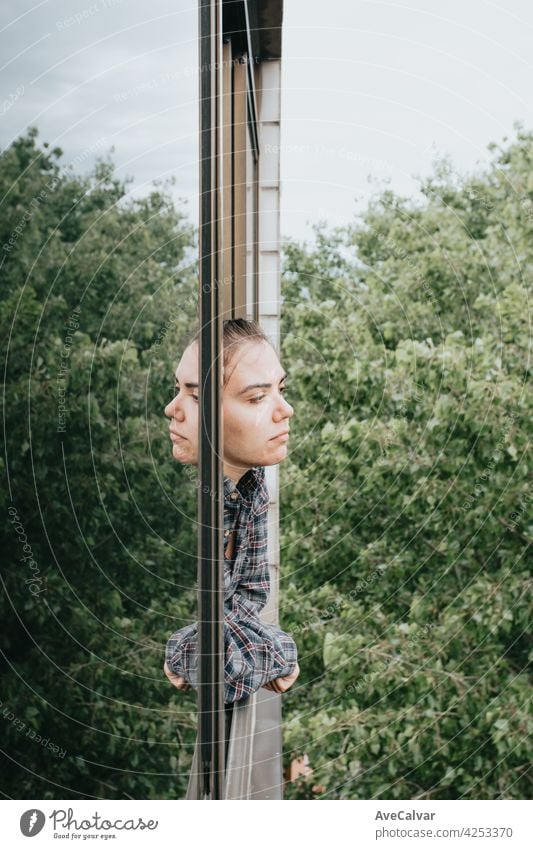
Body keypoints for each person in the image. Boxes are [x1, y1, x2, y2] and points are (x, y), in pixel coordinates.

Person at [163, 318, 300, 704]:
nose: (285, 410)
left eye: (280, 390)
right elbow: (220, 670)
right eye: (259, 398)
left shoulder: (248, 486)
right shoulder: (208, 506)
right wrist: (282, 654)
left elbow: (241, 610)